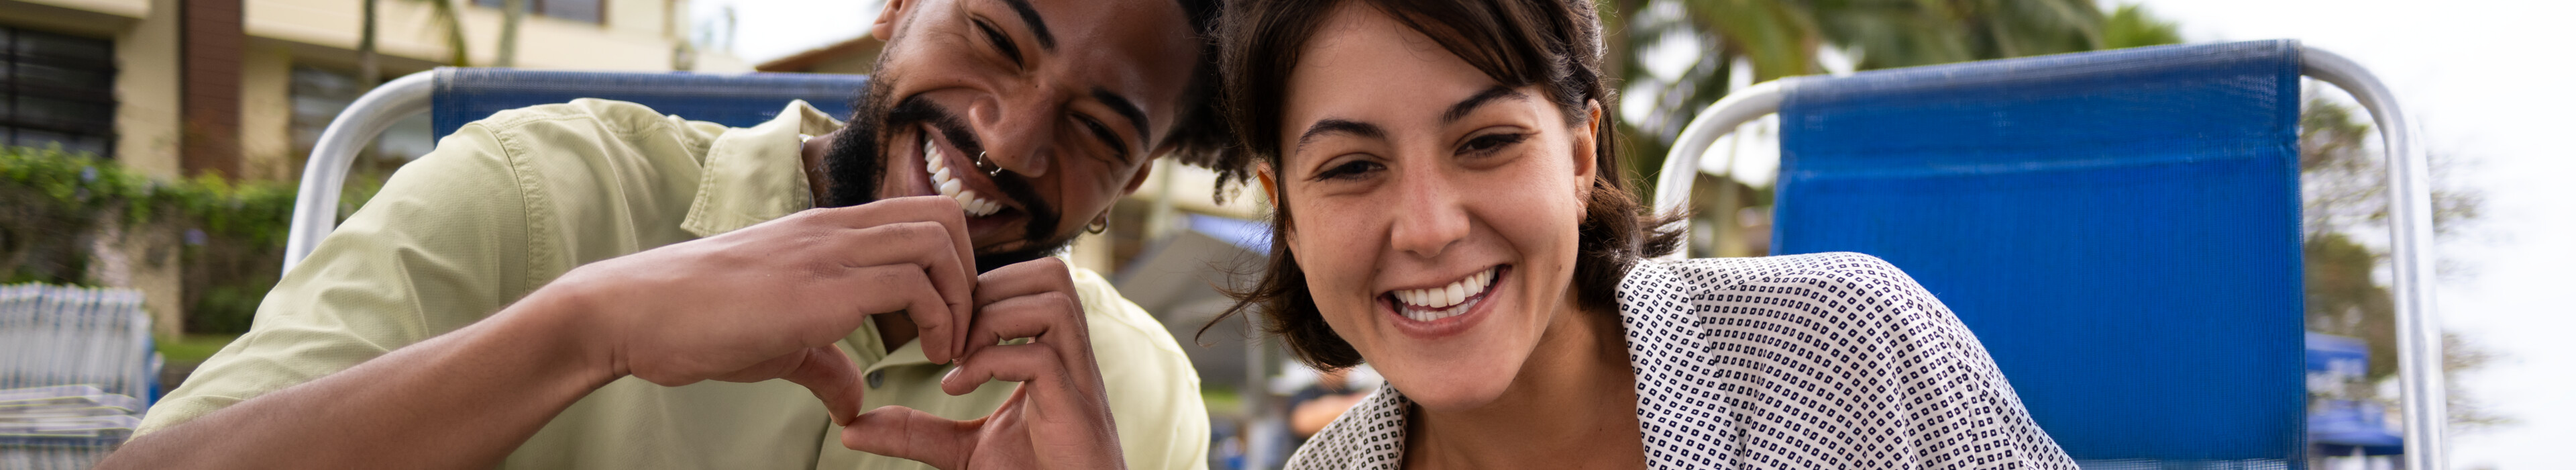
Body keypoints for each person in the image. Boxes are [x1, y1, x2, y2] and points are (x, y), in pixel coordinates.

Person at [100, 0, 1227, 469]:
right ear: (897, 9)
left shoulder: (1135, 396)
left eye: (1098, 129)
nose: (1008, 138)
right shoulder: (540, 190)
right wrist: (589, 329)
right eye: (992, 37)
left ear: (1137, 175)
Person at [1202, 0, 2081, 467]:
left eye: (1487, 143)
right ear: (1287, 213)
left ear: (1580, 155)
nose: (1430, 230)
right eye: (1353, 167)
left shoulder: (1849, 352)